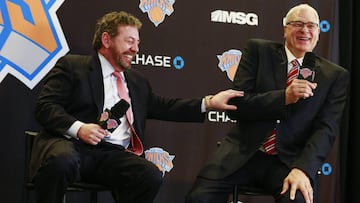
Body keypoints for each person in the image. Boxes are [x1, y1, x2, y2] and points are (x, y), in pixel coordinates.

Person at [29, 11, 243, 203]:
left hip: (111, 156)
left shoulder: (137, 82)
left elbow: (165, 107)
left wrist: (209, 103)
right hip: (72, 146)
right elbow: (45, 106)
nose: (135, 49)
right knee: (62, 161)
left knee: (148, 175)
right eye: (129, 41)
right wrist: (79, 128)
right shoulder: (73, 66)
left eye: (138, 43)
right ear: (106, 39)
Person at [185, 4, 349, 203]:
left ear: (318, 32)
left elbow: (326, 129)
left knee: (296, 200)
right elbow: (238, 106)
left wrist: (303, 169)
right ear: (285, 29)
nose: (304, 30)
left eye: (311, 26)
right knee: (198, 199)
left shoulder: (334, 76)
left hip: (288, 162)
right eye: (297, 24)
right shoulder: (259, 51)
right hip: (242, 154)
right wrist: (284, 97)